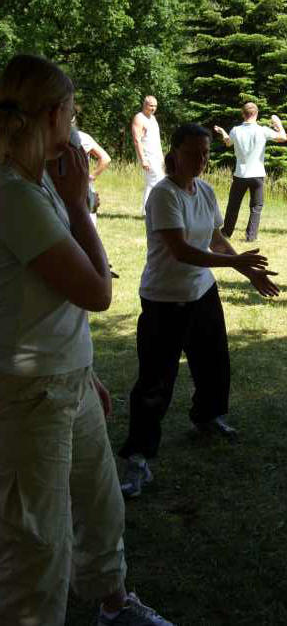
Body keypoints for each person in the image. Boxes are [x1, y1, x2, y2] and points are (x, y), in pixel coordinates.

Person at [0, 55, 174, 625]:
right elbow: (98, 292)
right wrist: (79, 204)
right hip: (30, 393)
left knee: (101, 506)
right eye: (72, 113)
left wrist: (86, 371)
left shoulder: (39, 181)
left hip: (67, 377)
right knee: (38, 544)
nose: (74, 125)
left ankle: (113, 606)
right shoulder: (15, 195)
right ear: (54, 115)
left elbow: (52, 297)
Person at [119, 123, 279, 499]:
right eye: (192, 153)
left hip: (202, 293)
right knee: (155, 382)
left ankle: (207, 417)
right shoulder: (163, 195)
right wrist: (236, 261)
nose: (200, 160)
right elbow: (181, 251)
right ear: (174, 153)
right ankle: (138, 458)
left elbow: (214, 238)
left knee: (214, 363)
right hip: (164, 299)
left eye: (205, 153)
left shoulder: (204, 190)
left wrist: (248, 271)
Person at [213, 102, 286, 241]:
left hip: (240, 174)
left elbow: (228, 142)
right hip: (257, 174)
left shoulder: (236, 130)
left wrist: (222, 132)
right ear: (256, 114)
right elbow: (282, 137)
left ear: (243, 114)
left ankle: (226, 233)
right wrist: (279, 124)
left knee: (233, 205)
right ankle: (251, 236)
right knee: (256, 207)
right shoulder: (262, 130)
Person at [132, 95, 164, 214]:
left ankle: (150, 210)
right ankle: (147, 212)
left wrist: (162, 157)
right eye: (151, 105)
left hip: (156, 155)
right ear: (145, 105)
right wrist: (143, 159)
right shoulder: (139, 118)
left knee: (157, 181)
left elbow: (156, 139)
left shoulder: (153, 118)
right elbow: (137, 140)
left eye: (155, 106)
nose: (153, 108)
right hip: (147, 156)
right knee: (154, 181)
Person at [76, 118, 111, 226]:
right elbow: (105, 158)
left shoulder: (81, 138)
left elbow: (105, 159)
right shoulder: (82, 137)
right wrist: (91, 177)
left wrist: (91, 177)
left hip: (81, 186)